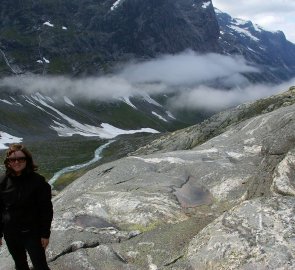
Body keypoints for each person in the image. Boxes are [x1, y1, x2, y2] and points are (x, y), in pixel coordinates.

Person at [0, 143, 53, 270]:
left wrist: (45, 234)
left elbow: (46, 209)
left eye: (21, 159)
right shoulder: (2, 181)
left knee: (40, 266)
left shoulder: (38, 181)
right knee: (20, 265)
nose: (16, 162)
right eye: (12, 159)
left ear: (27, 160)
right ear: (8, 162)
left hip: (32, 234)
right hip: (11, 234)